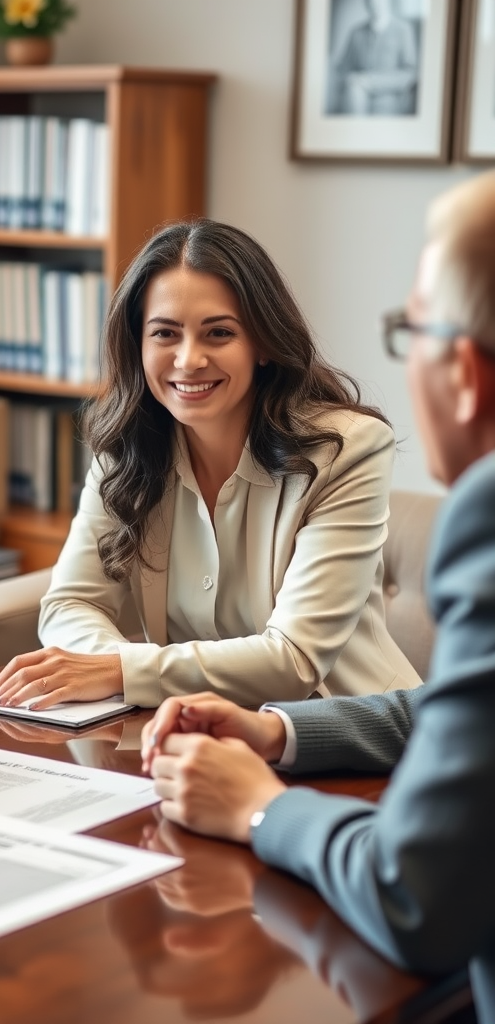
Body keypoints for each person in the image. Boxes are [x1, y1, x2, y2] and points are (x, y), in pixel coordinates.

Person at [141, 170, 495, 1023]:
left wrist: (263, 809)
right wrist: (278, 731)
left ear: (464, 371)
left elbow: (415, 901)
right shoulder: (134, 445)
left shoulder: (482, 518)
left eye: (409, 327)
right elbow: (459, 714)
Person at [0, 219, 421, 711]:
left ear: (261, 343)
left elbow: (295, 659)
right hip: (194, 728)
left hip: (351, 735)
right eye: (165, 334)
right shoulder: (125, 448)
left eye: (218, 333)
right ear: (139, 344)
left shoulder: (348, 449)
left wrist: (119, 671)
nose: (189, 359)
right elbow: (71, 603)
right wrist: (114, 672)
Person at [330, 0, 419, 116]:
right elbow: (343, 68)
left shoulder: (403, 30)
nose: (376, 4)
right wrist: (351, 79)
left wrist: (370, 81)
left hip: (390, 100)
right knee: (353, 92)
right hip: (356, 98)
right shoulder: (356, 32)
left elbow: (409, 74)